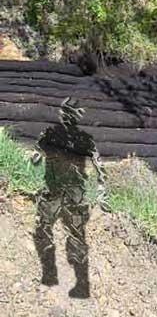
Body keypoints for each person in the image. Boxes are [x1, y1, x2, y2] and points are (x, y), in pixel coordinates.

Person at [32, 97, 107, 298]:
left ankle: (49, 276)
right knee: (77, 234)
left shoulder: (49, 133)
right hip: (75, 192)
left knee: (44, 228)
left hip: (55, 188)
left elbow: (35, 159)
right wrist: (101, 191)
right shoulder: (86, 139)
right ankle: (80, 285)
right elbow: (100, 169)